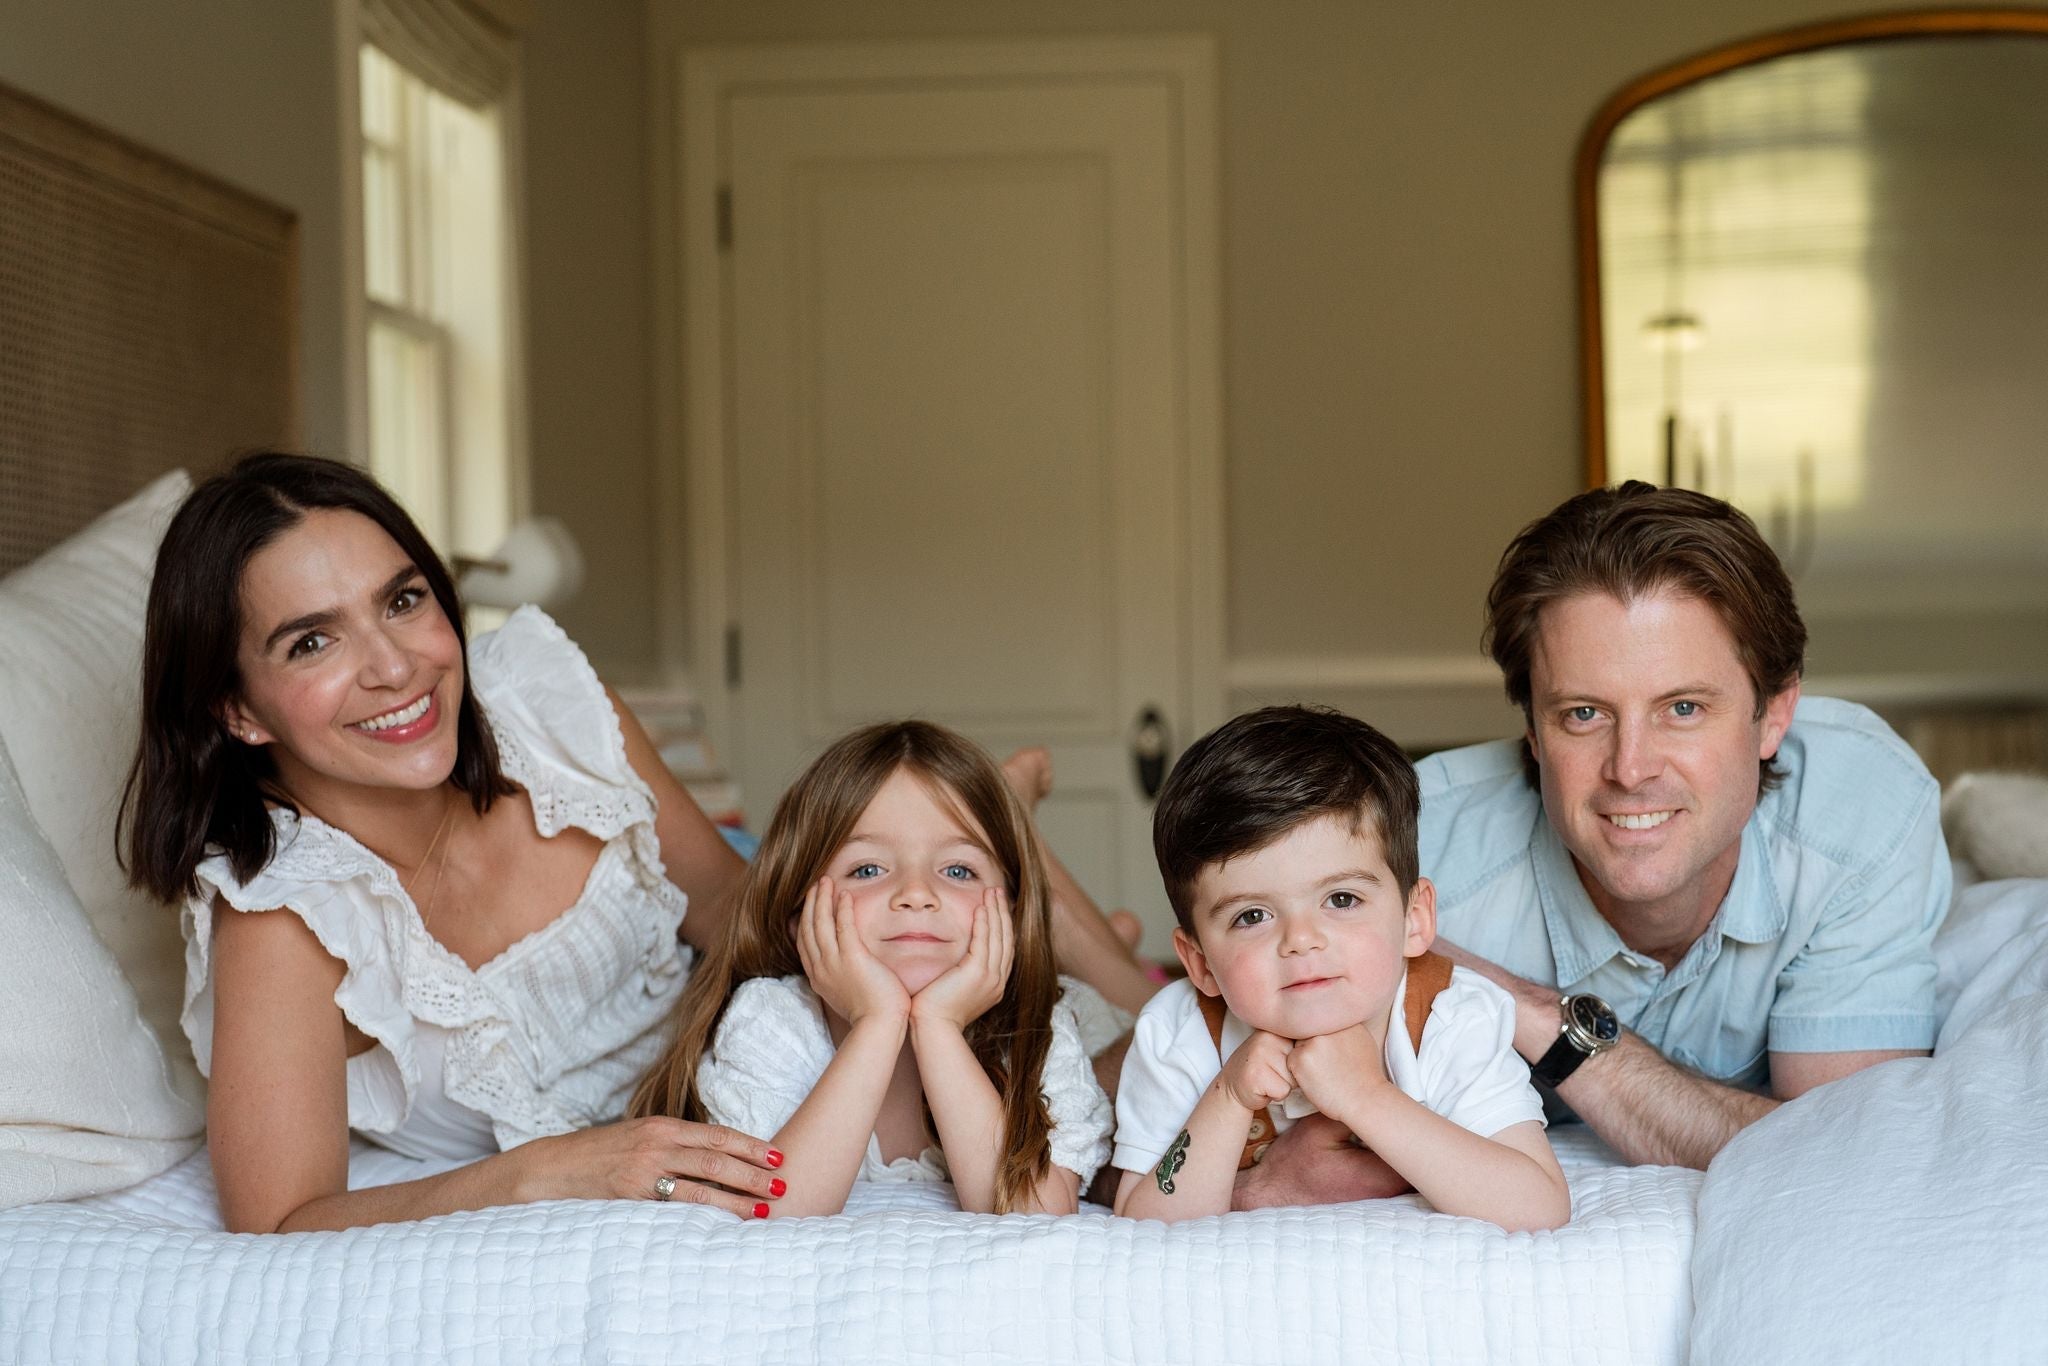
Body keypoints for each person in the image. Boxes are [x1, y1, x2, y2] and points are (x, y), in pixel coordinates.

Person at [121, 452, 791, 1232]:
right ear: (238, 711)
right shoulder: (287, 914)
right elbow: (282, 1220)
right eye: (312, 643)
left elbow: (729, 904)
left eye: (402, 600)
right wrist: (546, 1171)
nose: (395, 666)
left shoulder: (551, 707)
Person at [1238, 484, 1947, 1207]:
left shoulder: (1859, 814)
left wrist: (1528, 1012)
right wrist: (1259, 1183)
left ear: (1775, 715)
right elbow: (1181, 1075)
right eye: (1583, 714)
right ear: (1533, 731)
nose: (1631, 769)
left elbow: (1842, 1155)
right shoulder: (1395, 856)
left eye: (1682, 708)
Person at [1111, 706, 1568, 1231]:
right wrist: (1229, 1097)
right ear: (1199, 962)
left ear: (1415, 919)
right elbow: (1143, 1221)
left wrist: (1365, 1095)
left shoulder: (1452, 1015)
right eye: (1252, 916)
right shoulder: (1179, 1031)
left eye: (1342, 899)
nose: (1301, 940)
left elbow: (1538, 1206)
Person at [630, 720, 1112, 1215]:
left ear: (1010, 911)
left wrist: (939, 1026)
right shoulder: (773, 1022)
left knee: (1138, 1020)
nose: (916, 894)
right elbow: (772, 1210)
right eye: (867, 869)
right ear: (799, 914)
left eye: (958, 870)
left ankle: (1118, 942)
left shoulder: (1037, 1030)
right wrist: (877, 1022)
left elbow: (1038, 1215)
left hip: (1093, 1015)